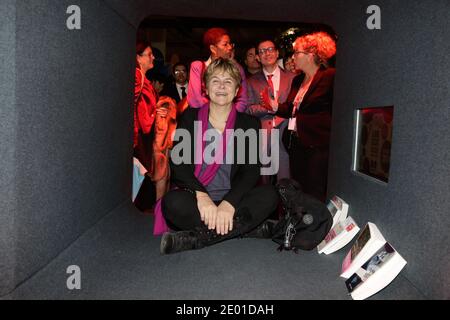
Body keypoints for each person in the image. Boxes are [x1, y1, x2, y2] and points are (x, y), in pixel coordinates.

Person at [159, 58, 279, 254]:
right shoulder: (190, 117)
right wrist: (202, 196)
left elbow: (250, 171)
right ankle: (246, 229)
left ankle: (196, 239)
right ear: (205, 87)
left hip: (235, 200)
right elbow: (179, 165)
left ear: (237, 88)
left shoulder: (248, 124)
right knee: (172, 202)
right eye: (215, 81)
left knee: (270, 195)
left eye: (228, 81)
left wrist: (229, 203)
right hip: (197, 201)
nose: (222, 87)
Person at [261, 32, 336, 202]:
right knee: (299, 191)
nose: (293, 57)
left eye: (296, 53)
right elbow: (291, 109)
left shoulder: (330, 76)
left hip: (318, 145)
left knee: (315, 191)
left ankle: (316, 226)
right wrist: (273, 105)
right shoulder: (298, 80)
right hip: (295, 144)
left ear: (311, 55)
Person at [246, 39, 295, 185]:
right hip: (262, 133)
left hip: (285, 133)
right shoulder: (251, 81)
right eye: (262, 51)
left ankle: (287, 207)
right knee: (264, 179)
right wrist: (269, 108)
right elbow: (248, 108)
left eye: (270, 49)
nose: (267, 54)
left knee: (286, 180)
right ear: (258, 58)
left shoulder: (292, 78)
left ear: (277, 52)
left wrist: (279, 109)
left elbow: (295, 106)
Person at [133, 41, 168, 210]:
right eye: (149, 54)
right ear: (138, 58)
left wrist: (155, 111)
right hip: (139, 139)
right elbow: (139, 114)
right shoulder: (137, 76)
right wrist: (154, 114)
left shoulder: (143, 79)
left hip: (143, 138)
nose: (153, 56)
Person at [187, 28, 248, 112]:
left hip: (230, 119)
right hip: (200, 117)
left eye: (230, 43)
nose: (230, 47)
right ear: (213, 48)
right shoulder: (198, 66)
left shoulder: (237, 68)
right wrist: (214, 116)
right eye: (225, 44)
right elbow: (194, 101)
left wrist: (230, 116)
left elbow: (243, 100)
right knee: (197, 125)